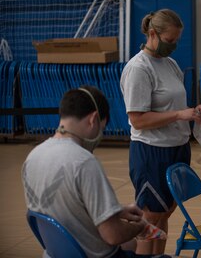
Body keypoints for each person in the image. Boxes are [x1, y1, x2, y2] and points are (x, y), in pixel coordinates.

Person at [22, 86, 168, 258]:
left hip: (55, 253)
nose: (100, 135)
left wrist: (116, 211)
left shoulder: (32, 157)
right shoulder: (84, 162)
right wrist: (141, 227)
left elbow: (63, 208)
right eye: (102, 128)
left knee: (130, 244)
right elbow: (113, 235)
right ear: (93, 119)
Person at [120, 9, 201, 255]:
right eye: (169, 41)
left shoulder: (171, 64)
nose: (174, 45)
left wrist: (193, 111)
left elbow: (174, 105)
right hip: (151, 152)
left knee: (165, 212)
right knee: (150, 218)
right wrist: (179, 115)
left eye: (176, 40)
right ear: (153, 34)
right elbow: (138, 119)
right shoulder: (138, 68)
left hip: (176, 148)